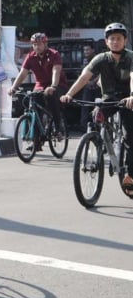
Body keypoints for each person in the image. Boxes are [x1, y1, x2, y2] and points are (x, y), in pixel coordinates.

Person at [61, 23, 133, 194]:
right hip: (109, 98)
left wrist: (132, 95)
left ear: (125, 41)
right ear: (107, 42)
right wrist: (69, 94)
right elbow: (85, 76)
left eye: (119, 39)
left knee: (130, 137)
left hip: (128, 99)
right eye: (112, 39)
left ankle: (130, 175)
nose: (115, 42)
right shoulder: (101, 58)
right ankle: (97, 140)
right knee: (96, 114)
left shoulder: (131, 57)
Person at [8, 32, 68, 136]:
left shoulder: (54, 54)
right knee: (31, 101)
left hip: (58, 84)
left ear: (45, 44)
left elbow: (56, 71)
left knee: (51, 95)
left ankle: (58, 126)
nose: (36, 47)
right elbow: (22, 74)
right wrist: (13, 87)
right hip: (40, 85)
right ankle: (36, 139)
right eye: (34, 44)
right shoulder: (31, 57)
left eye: (39, 44)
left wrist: (53, 86)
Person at [79, 42, 101, 132]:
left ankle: (99, 127)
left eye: (87, 49)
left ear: (93, 50)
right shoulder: (84, 60)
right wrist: (86, 82)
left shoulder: (98, 59)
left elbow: (101, 73)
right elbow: (82, 73)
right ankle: (83, 127)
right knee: (84, 105)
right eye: (84, 50)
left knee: (99, 107)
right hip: (87, 86)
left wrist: (93, 81)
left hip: (98, 87)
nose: (86, 52)